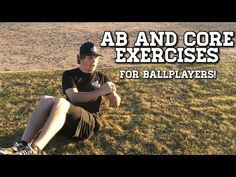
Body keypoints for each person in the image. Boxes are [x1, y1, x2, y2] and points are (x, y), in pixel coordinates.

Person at [0, 41, 121, 155]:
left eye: (96, 57)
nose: (94, 61)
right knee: (46, 99)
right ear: (80, 58)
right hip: (67, 122)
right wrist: (100, 91)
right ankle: (23, 144)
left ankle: (34, 149)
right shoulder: (69, 74)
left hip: (89, 123)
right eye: (90, 57)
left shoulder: (101, 77)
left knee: (62, 103)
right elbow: (74, 98)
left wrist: (113, 95)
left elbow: (115, 104)